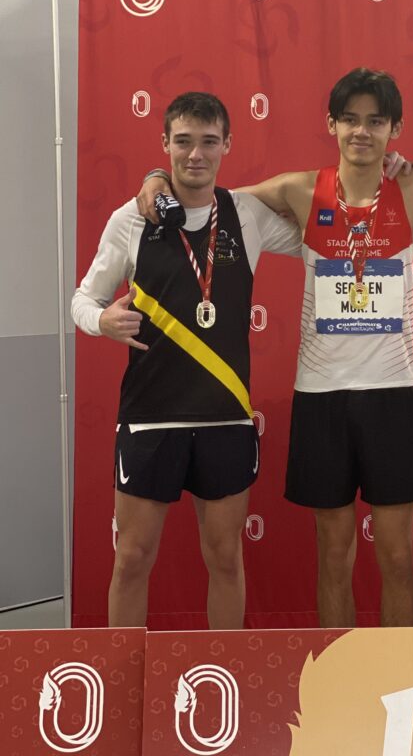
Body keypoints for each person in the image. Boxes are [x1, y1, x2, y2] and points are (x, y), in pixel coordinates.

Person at [138, 68, 413, 628]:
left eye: (375, 121)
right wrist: (159, 176)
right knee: (334, 555)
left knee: (398, 556)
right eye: (349, 120)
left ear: (393, 128)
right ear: (331, 124)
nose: (361, 132)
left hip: (391, 398)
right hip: (321, 400)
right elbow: (212, 199)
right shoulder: (299, 190)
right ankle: (340, 677)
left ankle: (396, 683)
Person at [71, 92, 302, 629]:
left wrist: (379, 175)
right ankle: (126, 683)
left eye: (208, 142)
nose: (195, 154)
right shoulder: (130, 218)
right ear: (164, 144)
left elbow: (324, 223)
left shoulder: (245, 213)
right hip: (150, 418)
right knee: (131, 560)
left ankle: (223, 675)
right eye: (182, 142)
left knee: (224, 560)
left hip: (225, 418)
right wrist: (100, 321)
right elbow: (83, 297)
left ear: (227, 145)